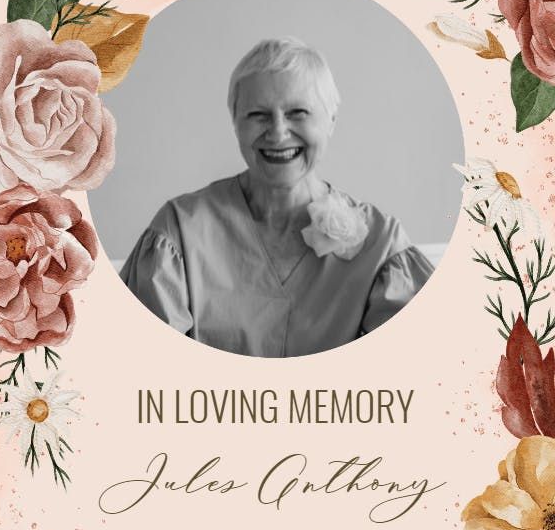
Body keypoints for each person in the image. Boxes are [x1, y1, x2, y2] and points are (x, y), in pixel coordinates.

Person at [120, 37, 433, 357]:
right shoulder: (178, 231)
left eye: (298, 113)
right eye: (258, 115)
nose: (278, 132)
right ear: (235, 123)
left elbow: (408, 371)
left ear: (331, 122)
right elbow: (149, 366)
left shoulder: (381, 246)